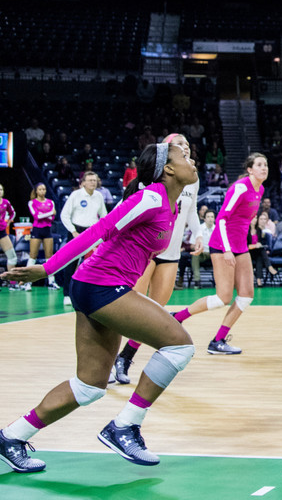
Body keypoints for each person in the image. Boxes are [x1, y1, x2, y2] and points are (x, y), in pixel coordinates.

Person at [0, 142, 198, 472]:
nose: (192, 161)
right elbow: (99, 231)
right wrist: (47, 269)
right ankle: (125, 426)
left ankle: (11, 436)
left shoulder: (172, 207)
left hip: (100, 286)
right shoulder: (150, 198)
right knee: (179, 347)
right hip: (100, 285)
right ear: (168, 169)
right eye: (184, 157)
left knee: (89, 386)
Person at [109, 134, 203, 385]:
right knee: (126, 312)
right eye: (178, 145)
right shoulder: (150, 181)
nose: (185, 147)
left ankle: (125, 358)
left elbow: (191, 212)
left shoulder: (191, 180)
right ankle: (108, 362)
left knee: (155, 310)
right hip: (145, 253)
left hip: (171, 253)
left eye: (187, 145)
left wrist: (199, 233)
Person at [171, 153, 268, 354]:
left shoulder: (261, 190)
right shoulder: (240, 187)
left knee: (247, 295)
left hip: (240, 246)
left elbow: (246, 222)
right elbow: (222, 219)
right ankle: (177, 318)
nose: (264, 168)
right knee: (223, 298)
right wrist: (226, 249)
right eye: (259, 165)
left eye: (265, 165)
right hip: (222, 245)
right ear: (250, 169)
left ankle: (218, 341)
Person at [58, 170, 108, 303]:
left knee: (93, 263)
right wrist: (73, 231)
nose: (93, 182)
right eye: (90, 180)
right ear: (83, 183)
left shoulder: (99, 196)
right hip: (76, 231)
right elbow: (64, 215)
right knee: (71, 262)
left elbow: (104, 215)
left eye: (95, 180)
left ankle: (90, 292)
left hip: (92, 232)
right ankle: (67, 294)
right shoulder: (76, 195)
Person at [26, 183, 60, 290]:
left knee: (49, 257)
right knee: (33, 256)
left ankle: (51, 281)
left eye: (44, 189)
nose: (42, 191)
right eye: (40, 189)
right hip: (36, 230)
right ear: (36, 191)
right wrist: (49, 213)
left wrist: (47, 215)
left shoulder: (51, 202)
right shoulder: (32, 202)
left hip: (47, 230)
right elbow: (37, 216)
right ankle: (27, 282)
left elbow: (51, 218)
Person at [250, 211, 277, 287]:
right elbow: (244, 244)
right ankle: (269, 267)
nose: (254, 220)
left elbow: (262, 242)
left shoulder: (259, 230)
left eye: (255, 218)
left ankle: (259, 280)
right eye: (253, 218)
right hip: (247, 252)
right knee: (261, 252)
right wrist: (253, 246)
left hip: (257, 251)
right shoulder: (246, 230)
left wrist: (258, 244)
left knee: (260, 256)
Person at [190, 210, 216, 287]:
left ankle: (218, 281)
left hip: (214, 253)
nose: (210, 219)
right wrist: (198, 248)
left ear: (214, 219)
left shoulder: (217, 229)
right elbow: (192, 245)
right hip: (202, 254)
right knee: (195, 255)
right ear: (204, 219)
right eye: (208, 217)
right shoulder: (199, 229)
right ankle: (197, 281)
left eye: (212, 217)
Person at [0, 183, 17, 283]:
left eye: (1, 189)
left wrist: (9, 221)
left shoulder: (6, 202)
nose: (0, 191)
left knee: (12, 257)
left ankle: (12, 282)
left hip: (2, 232)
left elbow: (13, 213)